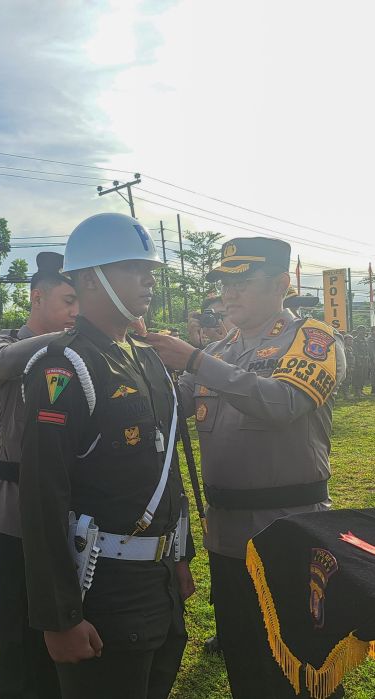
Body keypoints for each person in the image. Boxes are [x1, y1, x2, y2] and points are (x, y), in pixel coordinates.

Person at [146, 236, 345, 699]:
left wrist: (194, 359)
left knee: (301, 665)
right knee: (245, 659)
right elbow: (175, 409)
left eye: (243, 281)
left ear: (281, 283)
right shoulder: (223, 350)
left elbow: (284, 403)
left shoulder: (312, 339)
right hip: (228, 534)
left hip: (290, 530)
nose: (229, 292)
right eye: (224, 282)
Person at [20, 213, 195, 699]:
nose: (149, 279)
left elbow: (166, 468)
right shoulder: (66, 366)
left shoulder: (146, 356)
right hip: (102, 590)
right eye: (133, 267)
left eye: (150, 268)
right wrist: (60, 619)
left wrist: (181, 555)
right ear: (92, 277)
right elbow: (41, 496)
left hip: (157, 582)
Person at [0, 251, 78, 698]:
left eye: (80, 302)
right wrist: (71, 335)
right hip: (15, 515)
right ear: (37, 298)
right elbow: (0, 364)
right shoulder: (2, 345)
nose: (76, 312)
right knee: (18, 634)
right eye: (68, 300)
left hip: (71, 512)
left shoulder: (79, 354)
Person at [351, 325, 369, 396]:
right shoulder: (355, 340)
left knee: (364, 375)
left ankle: (361, 389)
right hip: (359, 360)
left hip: (365, 360)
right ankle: (357, 390)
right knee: (358, 375)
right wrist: (358, 361)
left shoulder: (365, 339)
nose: (363, 331)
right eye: (361, 330)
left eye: (364, 330)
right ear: (358, 331)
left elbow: (367, 350)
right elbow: (355, 352)